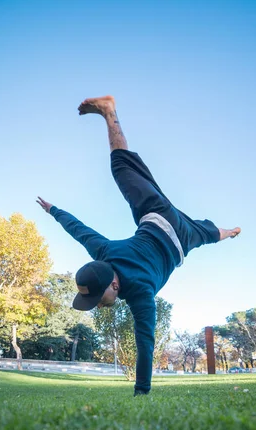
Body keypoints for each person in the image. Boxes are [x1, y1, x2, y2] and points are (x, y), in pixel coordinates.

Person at [37, 95, 240, 396]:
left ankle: (230, 231)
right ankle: (231, 231)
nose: (98, 305)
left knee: (208, 234)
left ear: (114, 285)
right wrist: (54, 211)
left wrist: (141, 391)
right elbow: (79, 230)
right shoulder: (102, 252)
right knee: (122, 169)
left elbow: (146, 341)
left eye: (97, 299)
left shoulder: (141, 291)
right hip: (158, 214)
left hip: (181, 237)